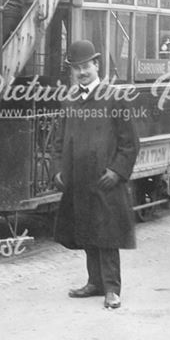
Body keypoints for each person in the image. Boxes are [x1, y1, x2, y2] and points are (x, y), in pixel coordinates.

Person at [53, 40, 140, 310]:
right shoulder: (69, 100)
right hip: (79, 179)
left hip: (106, 180)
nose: (81, 72)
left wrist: (116, 171)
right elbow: (59, 140)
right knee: (87, 229)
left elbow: (130, 143)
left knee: (108, 234)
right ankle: (95, 282)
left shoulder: (114, 97)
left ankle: (112, 288)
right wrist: (59, 169)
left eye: (86, 66)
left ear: (97, 65)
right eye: (76, 68)